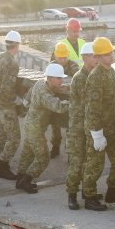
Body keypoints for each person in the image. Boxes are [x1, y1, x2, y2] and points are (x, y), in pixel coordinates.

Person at [81, 37, 115, 211]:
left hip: (112, 126)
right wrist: (96, 134)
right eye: (107, 54)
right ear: (98, 57)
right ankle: (90, 197)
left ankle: (112, 191)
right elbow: (92, 107)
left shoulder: (111, 72)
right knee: (95, 165)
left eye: (112, 52)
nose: (111, 56)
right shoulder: (95, 77)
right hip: (97, 127)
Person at [15, 63, 69, 193]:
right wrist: (72, 103)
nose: (62, 81)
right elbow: (59, 107)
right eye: (59, 78)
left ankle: (20, 179)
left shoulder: (40, 83)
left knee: (27, 153)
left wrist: (62, 88)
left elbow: (27, 98)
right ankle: (26, 181)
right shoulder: (44, 93)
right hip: (35, 128)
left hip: (30, 124)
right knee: (43, 158)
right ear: (50, 79)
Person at [0, 30, 23, 180]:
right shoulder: (12, 63)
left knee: (1, 132)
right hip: (7, 104)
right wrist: (18, 100)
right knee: (14, 138)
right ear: (17, 45)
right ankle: (2, 167)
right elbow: (9, 88)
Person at [65, 42, 97, 209]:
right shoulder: (80, 78)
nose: (97, 59)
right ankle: (72, 195)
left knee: (88, 162)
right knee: (77, 162)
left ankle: (87, 191)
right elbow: (90, 102)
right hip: (78, 127)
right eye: (94, 56)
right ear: (85, 58)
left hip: (88, 125)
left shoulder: (92, 74)